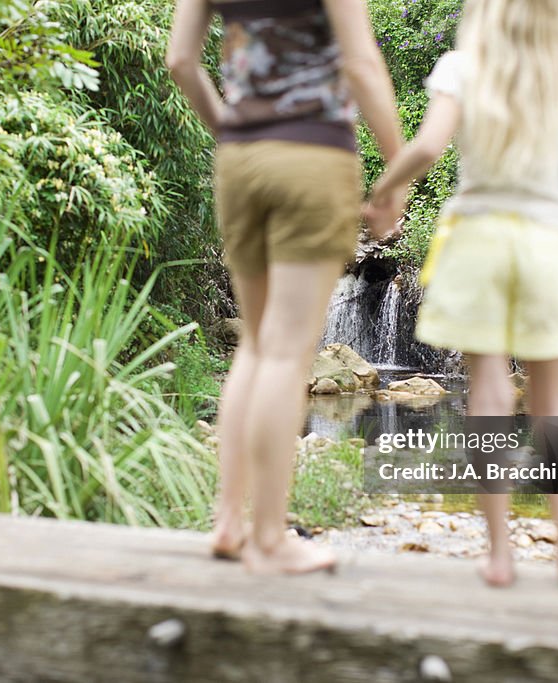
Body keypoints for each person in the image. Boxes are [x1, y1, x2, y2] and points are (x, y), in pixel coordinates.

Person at [365, 0, 558, 589]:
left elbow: (425, 150)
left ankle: (499, 555)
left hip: (475, 241)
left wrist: (382, 190)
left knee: (489, 392)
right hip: (547, 244)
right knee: (554, 402)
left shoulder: (461, 68)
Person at [167, 0, 404, 574]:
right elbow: (362, 64)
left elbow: (180, 61)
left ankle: (229, 522)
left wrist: (230, 130)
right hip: (313, 155)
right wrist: (396, 170)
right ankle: (270, 538)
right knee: (287, 349)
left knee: (256, 343)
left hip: (240, 160)